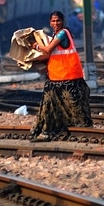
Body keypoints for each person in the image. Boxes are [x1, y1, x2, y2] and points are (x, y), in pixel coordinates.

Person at [29, 11, 93, 142]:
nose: (55, 23)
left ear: (63, 21)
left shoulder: (62, 33)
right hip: (59, 77)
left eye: (58, 20)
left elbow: (48, 50)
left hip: (67, 77)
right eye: (53, 21)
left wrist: (35, 45)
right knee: (53, 105)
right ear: (49, 22)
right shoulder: (56, 34)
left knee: (58, 105)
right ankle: (49, 132)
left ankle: (50, 132)